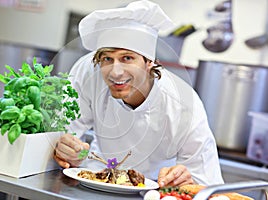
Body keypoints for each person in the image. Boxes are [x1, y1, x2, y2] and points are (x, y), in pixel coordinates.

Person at [54, 0, 224, 187]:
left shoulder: (183, 104)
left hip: (155, 189)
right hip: (94, 179)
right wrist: (66, 149)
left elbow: (206, 182)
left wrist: (185, 178)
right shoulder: (88, 72)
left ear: (149, 62)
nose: (115, 72)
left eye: (127, 58)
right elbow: (62, 132)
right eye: (107, 59)